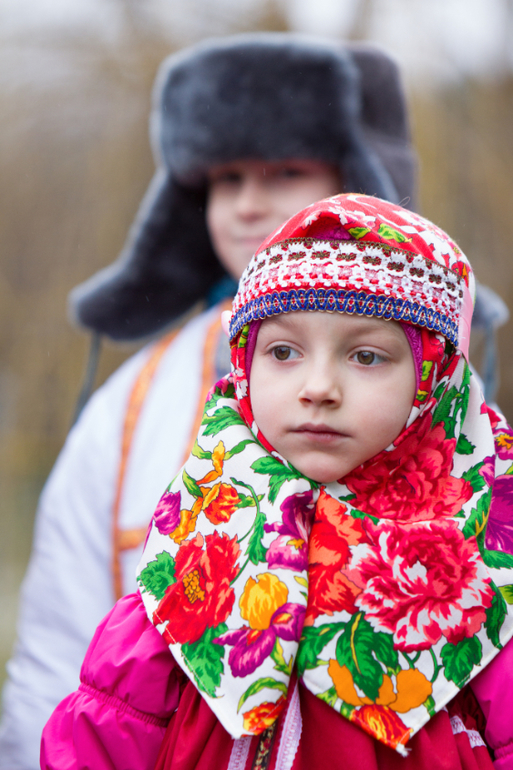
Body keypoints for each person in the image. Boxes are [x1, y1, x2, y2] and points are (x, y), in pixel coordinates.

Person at [0, 34, 418, 769]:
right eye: (226, 179)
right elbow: (59, 640)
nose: (250, 204)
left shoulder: (441, 401)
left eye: (285, 171)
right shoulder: (130, 405)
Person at [41, 193, 513, 769]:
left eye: (366, 357)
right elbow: (106, 732)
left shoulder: (486, 562)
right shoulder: (202, 537)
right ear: (244, 364)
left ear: (436, 381)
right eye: (283, 350)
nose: (318, 386)